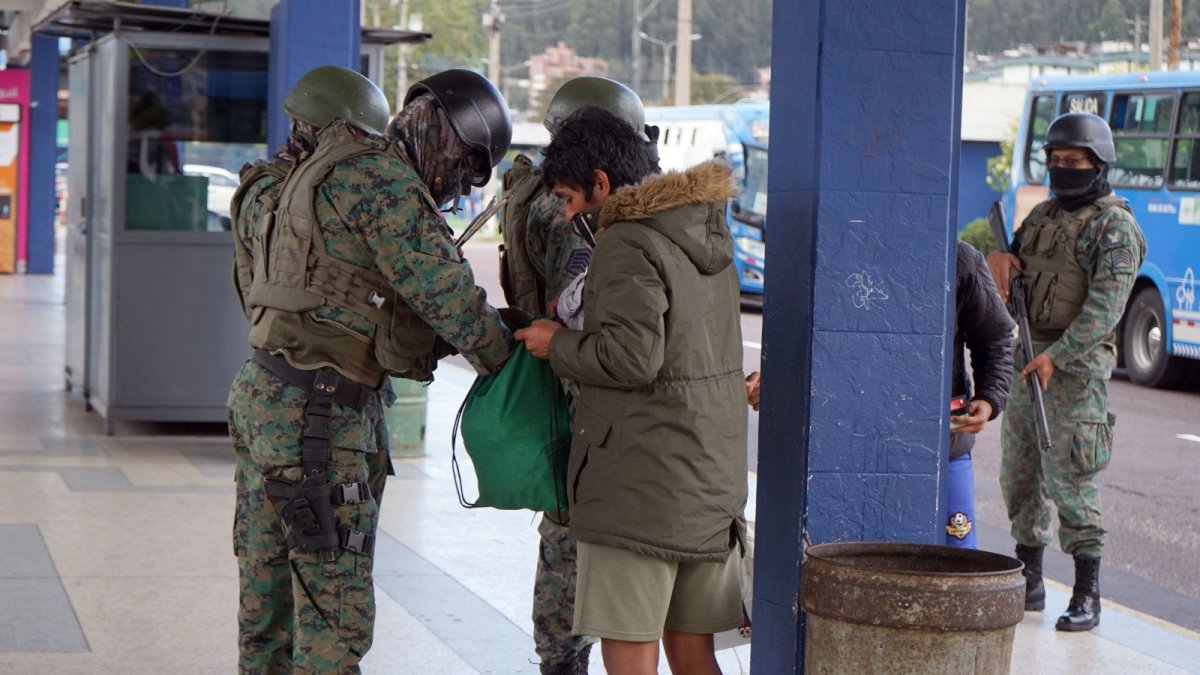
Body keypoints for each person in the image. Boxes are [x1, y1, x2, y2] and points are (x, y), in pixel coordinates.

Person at [226, 67, 515, 673]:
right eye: (465, 163)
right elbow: (450, 298)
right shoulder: (376, 178)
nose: (459, 184)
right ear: (448, 136)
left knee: (267, 602)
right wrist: (511, 361)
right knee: (335, 612)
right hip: (323, 417)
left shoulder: (271, 187)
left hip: (262, 393)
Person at [516, 106, 746, 674]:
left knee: (630, 656)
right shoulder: (702, 234)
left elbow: (631, 357)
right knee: (694, 658)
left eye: (570, 199)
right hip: (706, 481)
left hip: (638, 489)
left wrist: (554, 343)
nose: (569, 217)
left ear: (601, 182)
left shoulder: (627, 242)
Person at [497, 75, 657, 675]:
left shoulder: (533, 192)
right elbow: (590, 316)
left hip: (567, 394)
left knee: (564, 540)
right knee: (574, 546)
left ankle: (559, 657)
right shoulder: (573, 213)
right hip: (586, 405)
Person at [987, 111, 1146, 632]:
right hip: (1029, 357)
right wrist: (1002, 261)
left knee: (1071, 483)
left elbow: (1106, 309)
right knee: (1020, 475)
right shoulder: (1043, 216)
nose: (1062, 169)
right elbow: (1017, 264)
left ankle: (1086, 594)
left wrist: (1058, 357)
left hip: (1073, 371)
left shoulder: (1114, 226)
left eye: (1073, 161)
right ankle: (1029, 581)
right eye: (1054, 161)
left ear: (1098, 165)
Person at [945, 240, 1015, 549]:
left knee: (959, 561)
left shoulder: (960, 259)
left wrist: (988, 398)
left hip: (948, 441)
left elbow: (995, 336)